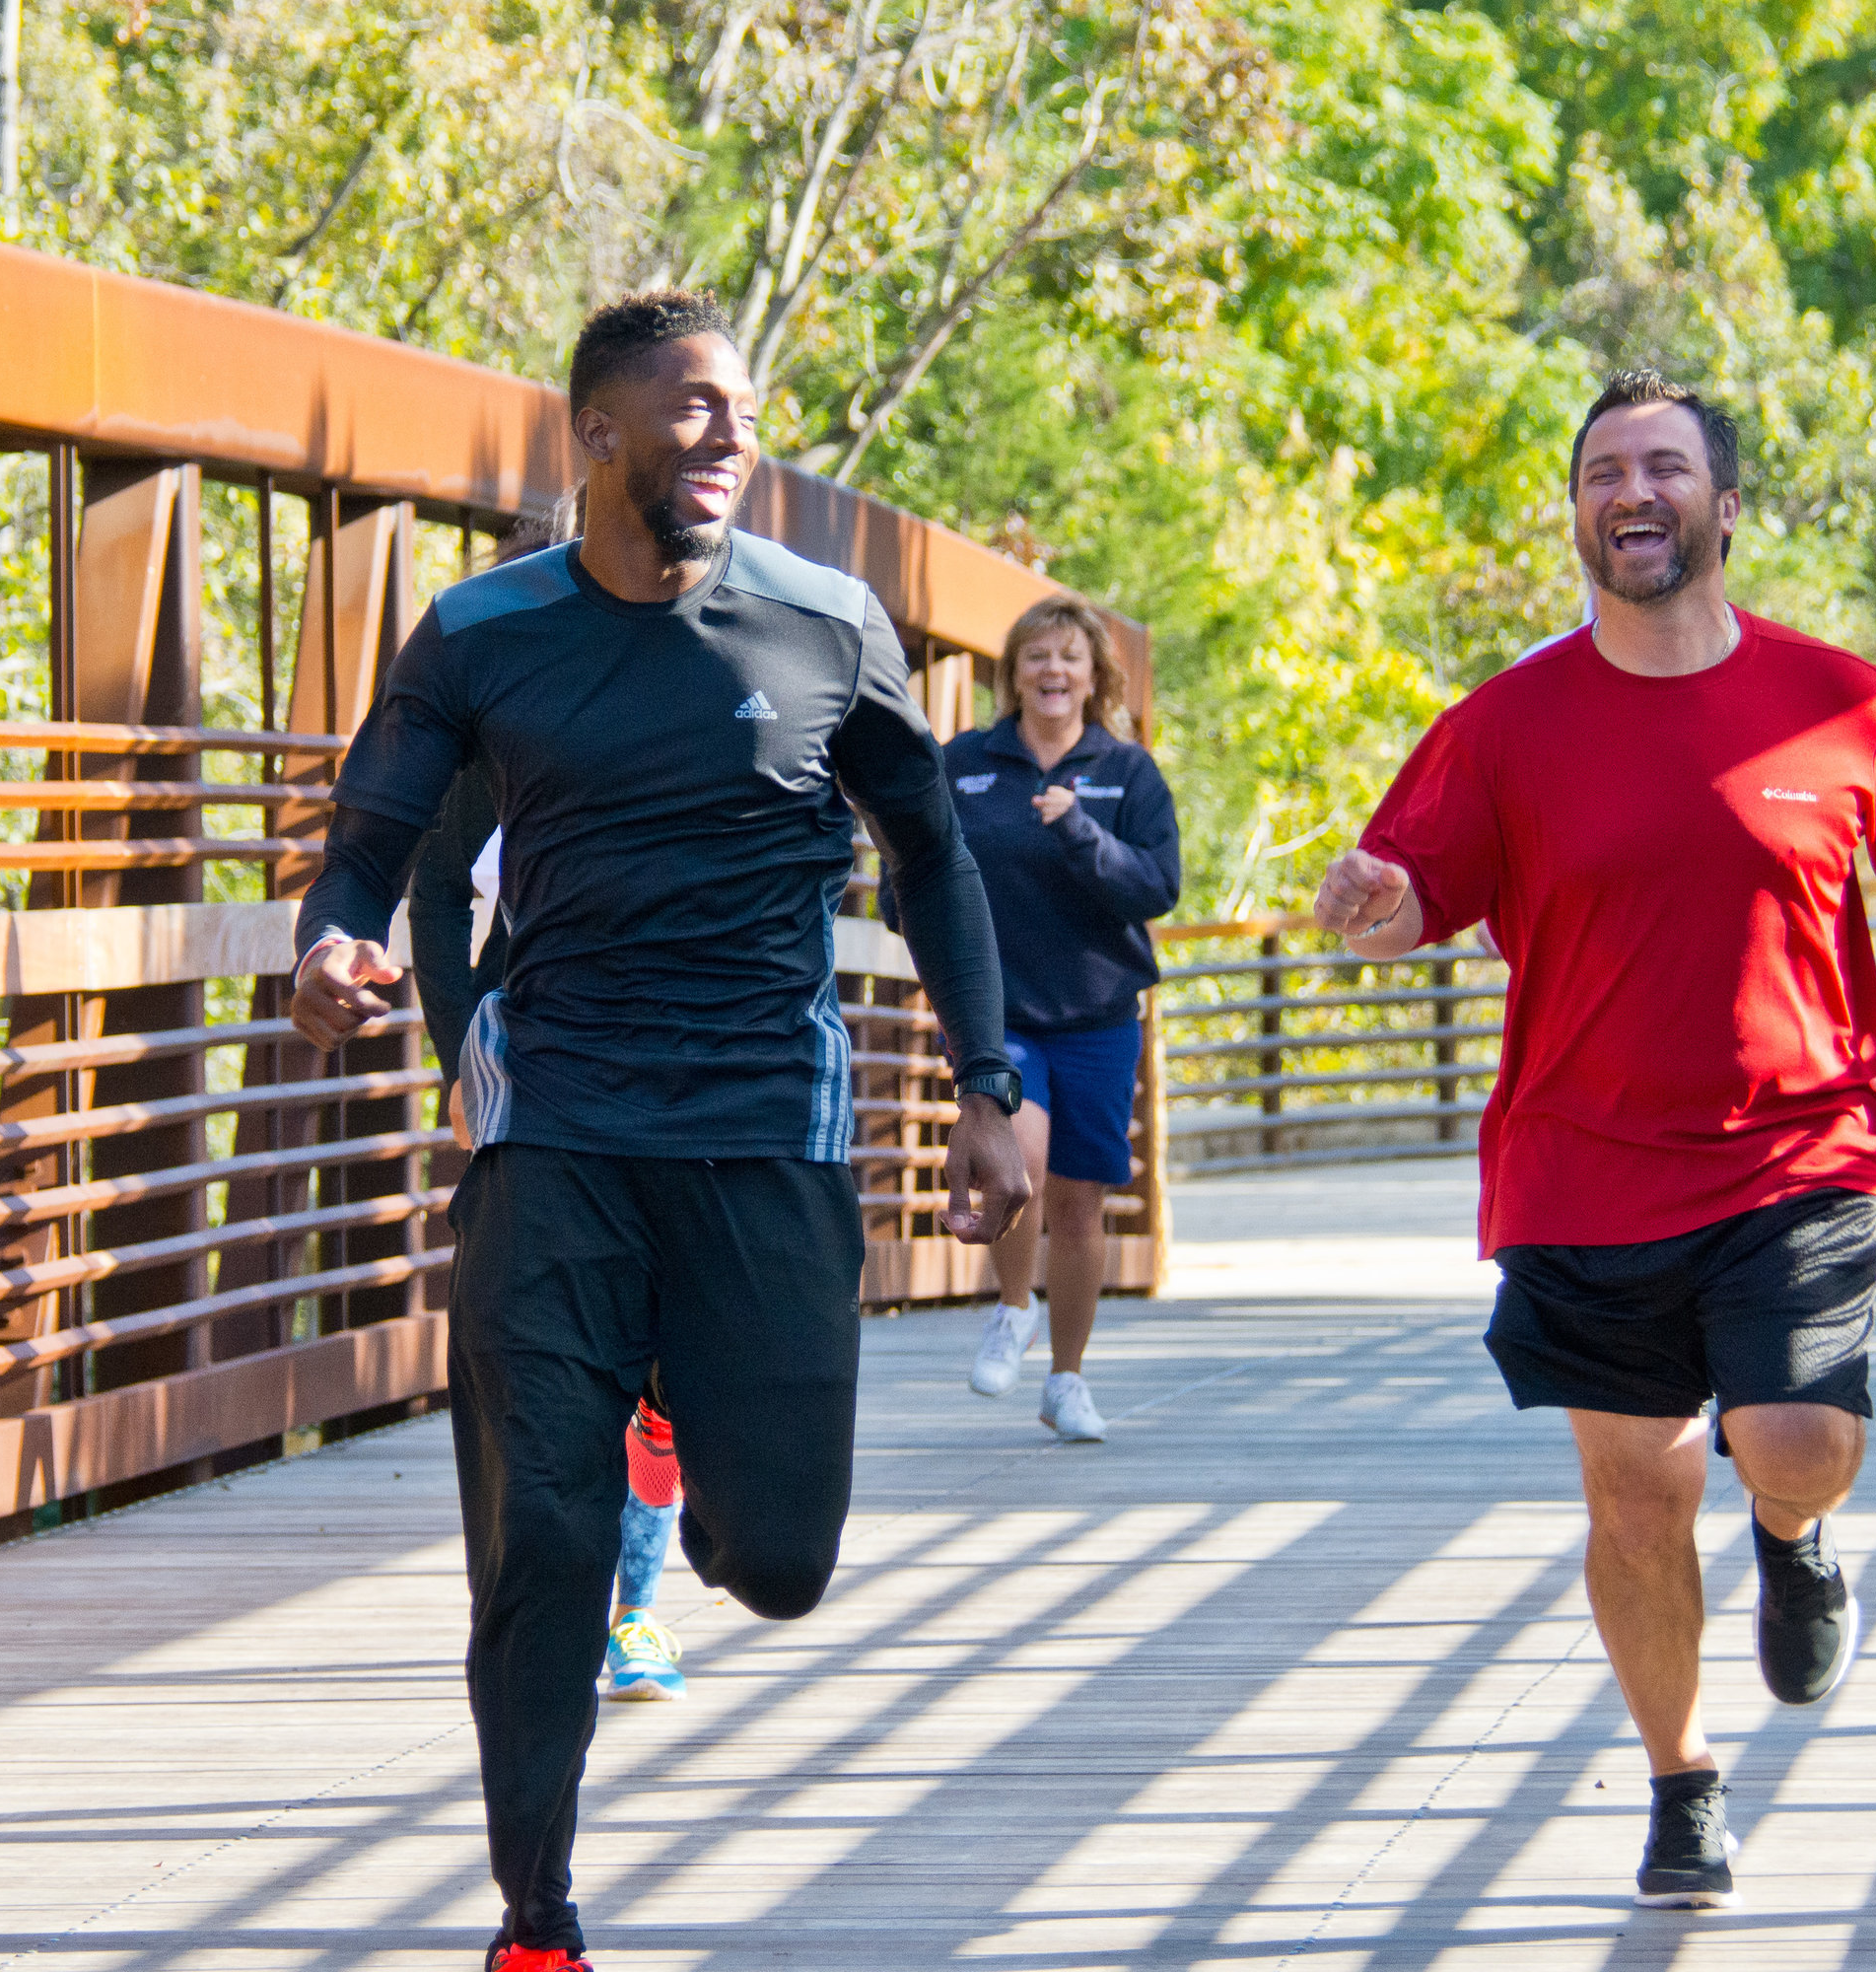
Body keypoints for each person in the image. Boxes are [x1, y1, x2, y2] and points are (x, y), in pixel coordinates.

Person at [290, 288, 1029, 1972]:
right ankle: (534, 1911)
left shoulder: (831, 626)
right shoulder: (483, 634)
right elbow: (369, 847)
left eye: (743, 408)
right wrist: (333, 944)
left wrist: (988, 1088)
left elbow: (933, 863)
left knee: (777, 1562)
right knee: (537, 1535)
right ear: (596, 433)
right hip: (556, 1131)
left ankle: (679, 1430)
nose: (727, 436)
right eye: (688, 407)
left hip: (767, 1122)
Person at [1313, 368, 1876, 1912]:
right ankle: (1685, 1784)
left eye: (1666, 466)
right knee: (1633, 1495)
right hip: (1582, 1162)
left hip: (1798, 1146)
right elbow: (1420, 890)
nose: (1633, 491)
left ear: (1724, 505)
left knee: (1797, 1439)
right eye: (1605, 470)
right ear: (1578, 514)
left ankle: (1794, 1529)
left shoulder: (1844, 702)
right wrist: (1379, 911)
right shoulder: (1503, 724)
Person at [407, 543, 692, 1705]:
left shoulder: (716, 681)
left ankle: (638, 1599)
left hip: (698, 1079)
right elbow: (433, 892)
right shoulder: (497, 719)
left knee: (667, 1374)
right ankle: (602, 1611)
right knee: (561, 1364)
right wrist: (465, 1059)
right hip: (542, 1077)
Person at [923, 599, 1179, 1440]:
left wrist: (1081, 835)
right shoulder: (965, 764)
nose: (1053, 672)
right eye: (1037, 657)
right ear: (1015, 672)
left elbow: (1157, 887)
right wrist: (908, 909)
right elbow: (918, 862)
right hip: (998, 1015)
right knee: (1017, 1154)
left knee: (1080, 1202)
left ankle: (1067, 1380)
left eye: (1070, 657)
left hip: (1099, 1013)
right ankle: (1009, 1306)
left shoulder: (1127, 772)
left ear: (1095, 675)